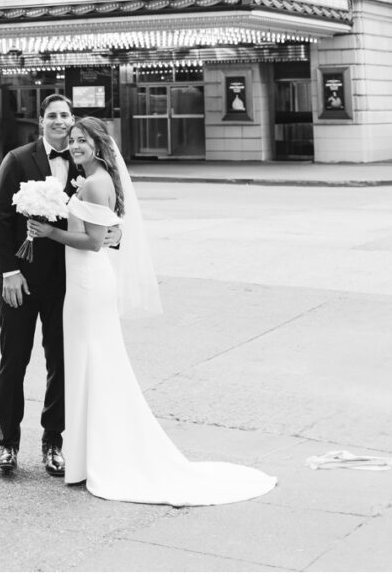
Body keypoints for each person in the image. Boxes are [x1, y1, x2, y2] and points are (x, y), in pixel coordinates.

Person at [24, 117, 276, 504]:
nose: (75, 146)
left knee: (93, 364)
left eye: (82, 140)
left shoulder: (93, 182)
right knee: (92, 365)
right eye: (72, 140)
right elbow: (110, 230)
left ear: (98, 143)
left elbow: (93, 243)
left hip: (89, 284)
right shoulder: (96, 177)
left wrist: (50, 232)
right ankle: (91, 453)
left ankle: (97, 456)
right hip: (86, 284)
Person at [0, 96, 117, 479]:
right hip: (22, 281)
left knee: (60, 364)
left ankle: (53, 443)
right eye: (53, 116)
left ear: (73, 121)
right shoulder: (17, 159)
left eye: (65, 116)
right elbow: (0, 218)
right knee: (14, 361)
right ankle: (8, 442)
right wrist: (8, 271)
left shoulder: (85, 165)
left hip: (66, 283)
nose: (60, 122)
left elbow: (105, 217)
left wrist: (112, 234)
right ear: (41, 121)